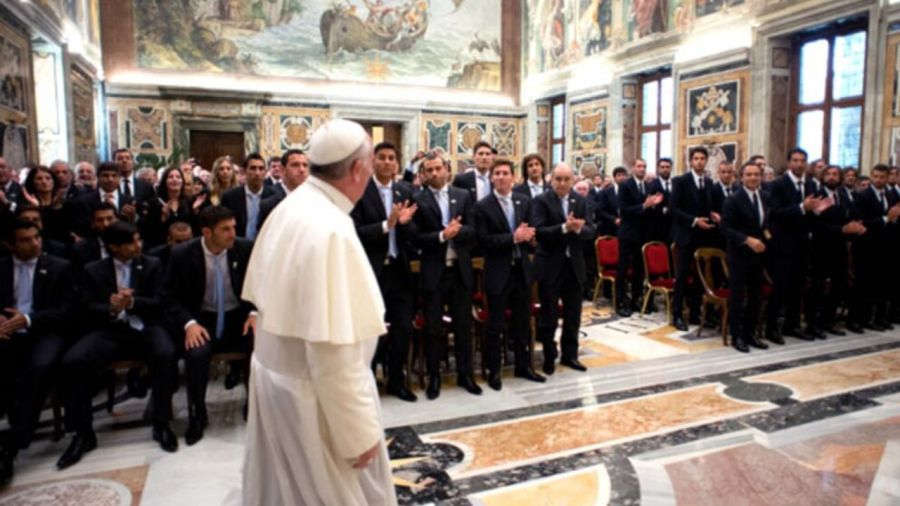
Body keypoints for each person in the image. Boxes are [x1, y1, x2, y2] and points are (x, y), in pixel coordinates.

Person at [238, 119, 397, 505]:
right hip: (314, 401)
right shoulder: (331, 229)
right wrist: (358, 434)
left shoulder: (292, 205)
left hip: (279, 381)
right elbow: (333, 351)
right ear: (359, 169)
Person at [57, 222, 178, 470]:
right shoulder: (94, 270)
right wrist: (111, 308)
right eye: (132, 241)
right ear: (114, 247)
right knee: (74, 360)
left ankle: (162, 422)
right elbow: (86, 307)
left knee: (166, 353)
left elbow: (160, 303)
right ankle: (83, 433)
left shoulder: (152, 264)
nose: (138, 245)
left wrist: (132, 303)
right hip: (109, 331)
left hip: (145, 328)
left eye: (138, 239)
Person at [164, 206, 256, 445]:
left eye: (234, 227)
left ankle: (255, 406)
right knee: (196, 353)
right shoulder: (182, 254)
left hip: (238, 316)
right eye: (225, 229)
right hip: (202, 318)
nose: (232, 233)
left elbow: (260, 285)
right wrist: (189, 323)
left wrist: (255, 312)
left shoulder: (244, 249)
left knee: (258, 344)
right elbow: (170, 298)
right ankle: (197, 415)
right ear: (206, 232)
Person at [0, 220, 73, 487]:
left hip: (44, 332)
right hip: (7, 334)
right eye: (25, 239)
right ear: (10, 244)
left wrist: (28, 320)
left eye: (36, 237)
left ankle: (13, 444)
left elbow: (66, 312)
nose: (34, 243)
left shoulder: (58, 267)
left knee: (40, 367)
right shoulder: (2, 268)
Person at [350, 141, 418, 402]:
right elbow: (354, 231)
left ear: (397, 164)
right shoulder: (360, 191)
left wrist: (404, 225)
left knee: (402, 327)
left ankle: (397, 381)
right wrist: (386, 225)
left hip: (399, 270)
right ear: (372, 161)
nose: (387, 162)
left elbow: (412, 234)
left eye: (392, 158)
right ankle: (368, 381)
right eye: (382, 157)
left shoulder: (405, 190)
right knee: (371, 329)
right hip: (372, 272)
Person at [413, 153, 482, 400]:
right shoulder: (418, 199)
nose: (434, 173)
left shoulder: (462, 196)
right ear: (423, 174)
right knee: (434, 328)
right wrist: (442, 236)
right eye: (428, 170)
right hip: (434, 271)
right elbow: (415, 237)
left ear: (447, 170)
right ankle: (434, 377)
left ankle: (466, 374)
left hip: (459, 270)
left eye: (437, 168)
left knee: (464, 326)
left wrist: (458, 231)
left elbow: (473, 230)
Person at [475, 159, 544, 389]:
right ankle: (494, 370)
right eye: (497, 173)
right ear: (492, 178)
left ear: (513, 177)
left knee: (523, 322)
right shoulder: (483, 206)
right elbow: (483, 241)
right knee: (495, 325)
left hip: (521, 270)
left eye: (505, 173)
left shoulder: (524, 201)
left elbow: (530, 234)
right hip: (498, 271)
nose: (502, 177)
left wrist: (531, 239)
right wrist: (513, 238)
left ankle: (523, 366)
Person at [532, 163, 594, 374]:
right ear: (551, 180)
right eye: (558, 179)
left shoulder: (581, 200)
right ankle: (549, 356)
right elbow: (539, 231)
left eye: (566, 179)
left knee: (573, 314)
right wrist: (563, 228)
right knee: (548, 315)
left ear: (573, 181)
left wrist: (578, 230)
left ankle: (570, 355)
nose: (562, 183)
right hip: (550, 265)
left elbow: (591, 231)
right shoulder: (541, 201)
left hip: (574, 266)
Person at [765, 148, 829, 342]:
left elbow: (812, 213)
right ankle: (771, 328)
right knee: (780, 287)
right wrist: (802, 207)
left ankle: (791, 325)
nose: (799, 164)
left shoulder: (811, 185)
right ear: (789, 163)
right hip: (782, 244)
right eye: (795, 160)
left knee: (797, 287)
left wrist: (817, 210)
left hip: (803, 244)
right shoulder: (778, 184)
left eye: (802, 161)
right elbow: (776, 213)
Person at [809, 165, 864, 336]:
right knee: (818, 287)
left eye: (835, 174)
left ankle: (829, 321)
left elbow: (850, 217)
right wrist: (841, 230)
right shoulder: (818, 195)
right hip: (820, 247)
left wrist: (856, 225)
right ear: (823, 177)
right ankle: (813, 324)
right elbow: (815, 225)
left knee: (837, 285)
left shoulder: (842, 195)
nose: (832, 177)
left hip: (840, 248)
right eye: (828, 174)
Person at [722, 162, 770, 353]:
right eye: (748, 174)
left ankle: (750, 334)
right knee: (738, 297)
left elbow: (765, 223)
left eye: (756, 174)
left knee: (756, 297)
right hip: (739, 255)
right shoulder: (733, 199)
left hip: (758, 256)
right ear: (741, 177)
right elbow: (725, 229)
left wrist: (766, 236)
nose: (753, 178)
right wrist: (746, 240)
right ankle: (737, 336)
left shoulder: (765, 197)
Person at [670, 147, 716, 331]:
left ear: (706, 161)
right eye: (696, 158)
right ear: (691, 161)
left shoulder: (710, 183)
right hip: (686, 235)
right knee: (682, 277)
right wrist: (694, 220)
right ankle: (677, 314)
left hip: (704, 237)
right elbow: (674, 209)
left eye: (702, 158)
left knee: (700, 278)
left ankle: (696, 313)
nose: (699, 161)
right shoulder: (681, 181)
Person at [616, 159, 663, 317]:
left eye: (644, 166)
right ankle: (620, 301)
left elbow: (649, 211)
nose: (642, 169)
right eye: (639, 166)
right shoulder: (625, 185)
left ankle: (637, 299)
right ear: (633, 168)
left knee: (639, 269)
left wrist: (655, 205)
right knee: (623, 269)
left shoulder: (649, 186)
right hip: (628, 233)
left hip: (643, 234)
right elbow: (625, 210)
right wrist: (644, 206)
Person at [220, 153, 275, 241]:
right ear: (244, 171)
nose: (257, 173)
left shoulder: (274, 196)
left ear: (265, 172)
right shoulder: (230, 197)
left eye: (261, 169)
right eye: (253, 168)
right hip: (238, 246)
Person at [257, 149, 309, 230]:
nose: (302, 169)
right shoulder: (269, 205)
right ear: (283, 169)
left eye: (305, 165)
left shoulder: (318, 201)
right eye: (295, 165)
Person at [597, 166, 627, 236]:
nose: (622, 178)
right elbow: (601, 210)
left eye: (623, 175)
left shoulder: (630, 191)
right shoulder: (605, 192)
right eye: (619, 175)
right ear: (614, 177)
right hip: (610, 227)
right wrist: (614, 219)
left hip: (626, 227)